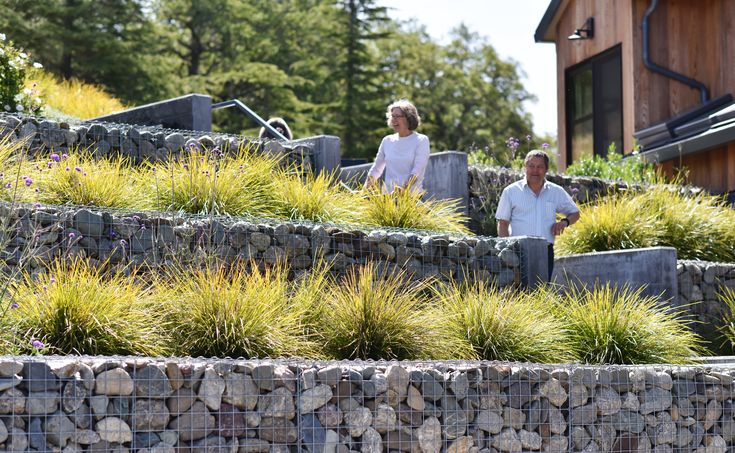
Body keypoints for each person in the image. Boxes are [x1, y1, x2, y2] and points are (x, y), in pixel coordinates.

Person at [495, 150, 580, 281]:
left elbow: (575, 213)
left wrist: (564, 222)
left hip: (545, 251)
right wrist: (506, 250)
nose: (535, 170)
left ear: (546, 169)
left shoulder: (556, 191)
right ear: (525, 167)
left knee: (541, 291)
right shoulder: (510, 192)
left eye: (540, 166)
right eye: (531, 166)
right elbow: (503, 223)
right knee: (517, 292)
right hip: (517, 251)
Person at [364, 99, 430, 193]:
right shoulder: (387, 140)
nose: (393, 119)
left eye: (398, 116)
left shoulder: (421, 140)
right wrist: (364, 189)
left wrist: (402, 191)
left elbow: (416, 172)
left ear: (409, 118)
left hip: (411, 199)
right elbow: (376, 169)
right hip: (387, 198)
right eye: (392, 116)